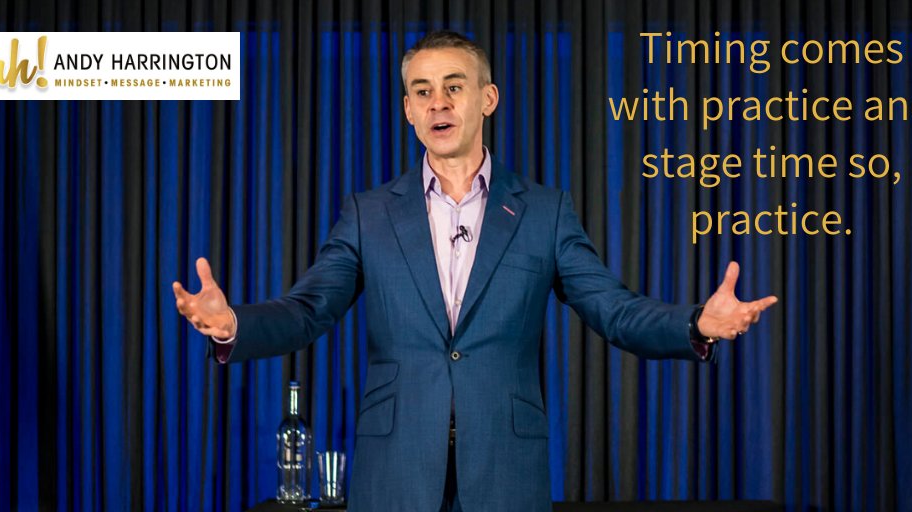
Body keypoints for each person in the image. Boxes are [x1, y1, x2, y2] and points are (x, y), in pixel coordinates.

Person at [173, 30, 778, 512]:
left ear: (487, 99)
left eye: (453, 87)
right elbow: (309, 310)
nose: (438, 102)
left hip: (505, 471)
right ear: (408, 110)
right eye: (422, 91)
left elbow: (613, 309)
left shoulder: (544, 212)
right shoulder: (368, 214)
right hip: (396, 471)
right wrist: (233, 325)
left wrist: (696, 324)